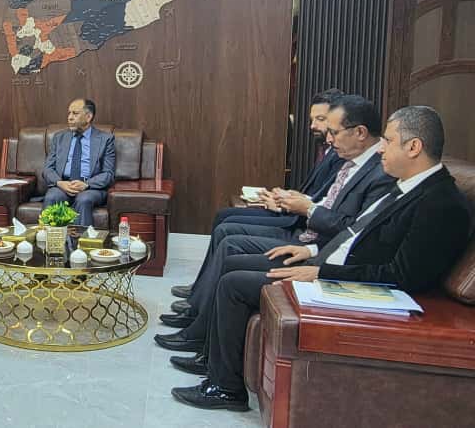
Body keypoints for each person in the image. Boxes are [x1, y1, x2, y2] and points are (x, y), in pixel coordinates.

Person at [170, 106, 472, 412]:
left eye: (389, 140)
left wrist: (321, 272)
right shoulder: (406, 186)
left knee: (234, 284)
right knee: (234, 263)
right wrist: (311, 252)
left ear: (414, 147)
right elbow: (355, 232)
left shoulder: (441, 204)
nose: (381, 147)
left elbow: (402, 276)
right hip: (329, 264)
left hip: (358, 288)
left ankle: (226, 389)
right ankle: (212, 362)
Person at [157, 95, 395, 346]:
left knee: (230, 245)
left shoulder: (379, 173)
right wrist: (296, 201)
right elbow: (330, 203)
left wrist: (307, 212)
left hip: (314, 246)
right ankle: (199, 311)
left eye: (332, 130)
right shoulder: (353, 161)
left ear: (360, 132)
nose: (328, 137)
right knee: (227, 231)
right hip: (309, 238)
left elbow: (352, 230)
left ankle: (199, 325)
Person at [169, 88, 346, 314]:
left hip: (300, 226)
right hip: (295, 215)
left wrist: (286, 204)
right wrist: (283, 197)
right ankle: (201, 289)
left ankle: (200, 299)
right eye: (313, 119)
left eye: (320, 119)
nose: (313, 126)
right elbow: (318, 196)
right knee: (224, 217)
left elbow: (324, 207)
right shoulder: (329, 150)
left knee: (227, 228)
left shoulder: (342, 156)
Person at [41, 98, 116, 227]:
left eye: (75, 113)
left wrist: (86, 184)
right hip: (63, 185)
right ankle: (49, 238)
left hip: (90, 187)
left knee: (84, 199)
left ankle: (80, 239)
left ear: (88, 117)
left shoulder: (105, 139)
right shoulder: (59, 137)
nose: (69, 117)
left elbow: (108, 174)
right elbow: (48, 169)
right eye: (69, 113)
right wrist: (59, 183)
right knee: (52, 197)